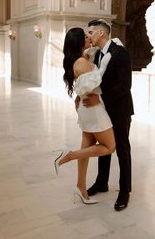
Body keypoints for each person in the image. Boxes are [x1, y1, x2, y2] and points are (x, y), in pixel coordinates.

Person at [54, 27, 116, 205]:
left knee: (87, 147)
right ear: (79, 42)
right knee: (110, 146)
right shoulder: (81, 62)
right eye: (86, 36)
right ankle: (70, 155)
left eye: (90, 34)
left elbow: (82, 84)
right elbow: (94, 82)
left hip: (87, 106)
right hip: (93, 108)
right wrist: (104, 64)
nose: (89, 37)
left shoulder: (83, 57)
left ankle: (81, 187)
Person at [84, 19, 134, 211]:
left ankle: (124, 191)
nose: (88, 36)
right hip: (103, 109)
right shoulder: (96, 55)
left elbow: (125, 85)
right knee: (104, 146)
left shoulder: (120, 53)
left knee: (122, 148)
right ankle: (102, 183)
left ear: (101, 33)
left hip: (120, 109)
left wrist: (101, 99)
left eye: (90, 32)